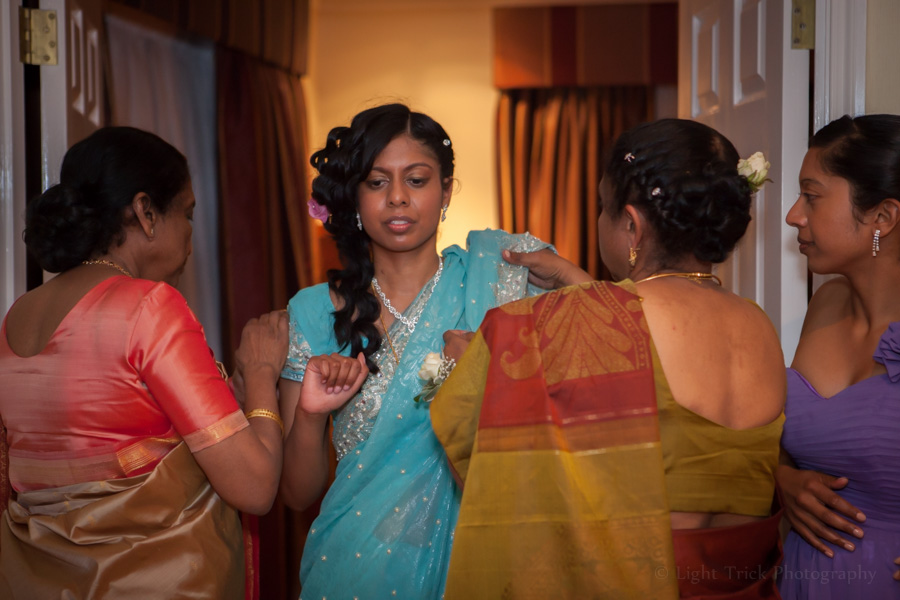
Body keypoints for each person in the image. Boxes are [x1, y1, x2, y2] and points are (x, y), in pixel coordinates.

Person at [430, 118, 787, 599]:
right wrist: (580, 286)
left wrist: (464, 366)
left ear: (632, 224)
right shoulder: (758, 325)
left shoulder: (556, 322)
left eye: (603, 206)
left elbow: (494, 483)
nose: (599, 218)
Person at [0, 126, 287, 599]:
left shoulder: (18, 315)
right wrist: (260, 376)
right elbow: (254, 486)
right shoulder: (149, 306)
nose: (191, 237)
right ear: (146, 213)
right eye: (188, 214)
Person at [278, 103, 550, 598]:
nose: (398, 199)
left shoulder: (500, 288)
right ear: (354, 198)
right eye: (377, 183)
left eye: (417, 180)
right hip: (354, 570)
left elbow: (596, 359)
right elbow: (297, 493)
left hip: (479, 564)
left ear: (446, 191)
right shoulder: (314, 313)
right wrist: (313, 416)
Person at [777, 113, 900, 598]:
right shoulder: (825, 303)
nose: (793, 215)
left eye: (811, 196)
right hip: (805, 581)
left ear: (882, 218)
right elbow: (790, 447)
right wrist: (783, 481)